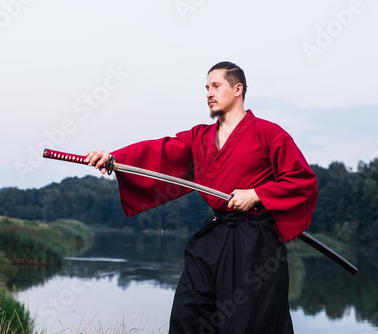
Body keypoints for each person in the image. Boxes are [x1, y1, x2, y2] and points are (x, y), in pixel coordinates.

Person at [85, 61, 318, 334]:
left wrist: (257, 194)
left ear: (237, 89)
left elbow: (302, 182)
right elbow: (161, 153)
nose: (209, 93)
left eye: (216, 86)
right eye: (206, 88)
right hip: (214, 238)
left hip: (254, 244)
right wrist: (116, 159)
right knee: (188, 313)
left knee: (245, 323)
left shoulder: (268, 133)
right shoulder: (200, 137)